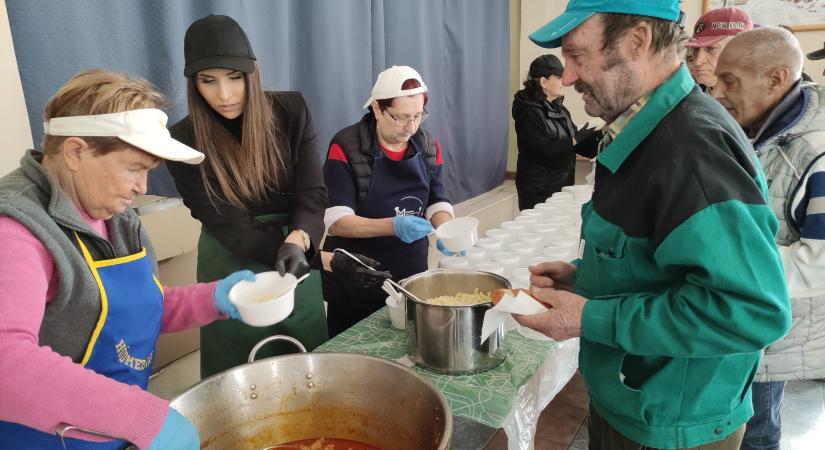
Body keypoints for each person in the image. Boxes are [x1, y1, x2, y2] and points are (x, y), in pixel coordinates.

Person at [518, 1, 791, 449]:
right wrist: (588, 278)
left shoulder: (691, 150)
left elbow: (751, 310)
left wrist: (589, 316)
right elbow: (663, 262)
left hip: (671, 424)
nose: (567, 77)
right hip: (635, 400)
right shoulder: (642, 130)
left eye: (577, 55)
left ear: (638, 40)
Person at [0, 70, 256, 449]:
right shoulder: (16, 227)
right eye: (133, 168)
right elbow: (6, 364)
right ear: (75, 152)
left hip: (110, 434)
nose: (142, 187)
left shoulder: (116, 217)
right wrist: (140, 417)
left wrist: (214, 298)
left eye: (147, 171)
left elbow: (133, 312)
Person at [167, 15, 328, 378]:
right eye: (208, 81)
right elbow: (233, 228)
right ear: (194, 84)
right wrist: (313, 255)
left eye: (234, 77)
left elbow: (312, 193)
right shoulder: (181, 140)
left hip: (294, 245)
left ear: (251, 74)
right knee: (237, 374)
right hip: (231, 257)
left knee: (306, 367)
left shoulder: (291, 111)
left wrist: (299, 239)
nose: (224, 95)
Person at [711, 27, 825, 450]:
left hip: (771, 336)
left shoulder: (816, 151)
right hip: (743, 323)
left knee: (756, 433)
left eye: (730, 81)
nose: (717, 92)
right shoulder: (763, 128)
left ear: (776, 79)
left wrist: (718, 254)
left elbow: (818, 267)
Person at [321, 65, 455, 336]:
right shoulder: (345, 146)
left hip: (410, 272)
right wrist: (393, 226)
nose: (411, 127)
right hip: (358, 274)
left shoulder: (428, 145)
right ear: (377, 109)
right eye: (402, 117)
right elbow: (337, 222)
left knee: (409, 339)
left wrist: (448, 230)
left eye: (418, 116)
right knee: (354, 347)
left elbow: (437, 200)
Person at [512, 54, 599, 210]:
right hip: (538, 191)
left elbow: (574, 143)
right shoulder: (528, 112)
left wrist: (600, 140)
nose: (563, 82)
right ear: (544, 82)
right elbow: (546, 149)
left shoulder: (560, 109)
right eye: (559, 78)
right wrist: (575, 138)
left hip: (562, 186)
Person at [684, 7, 752, 92]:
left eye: (712, 48)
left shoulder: (759, 97)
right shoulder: (692, 91)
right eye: (696, 49)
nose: (697, 61)